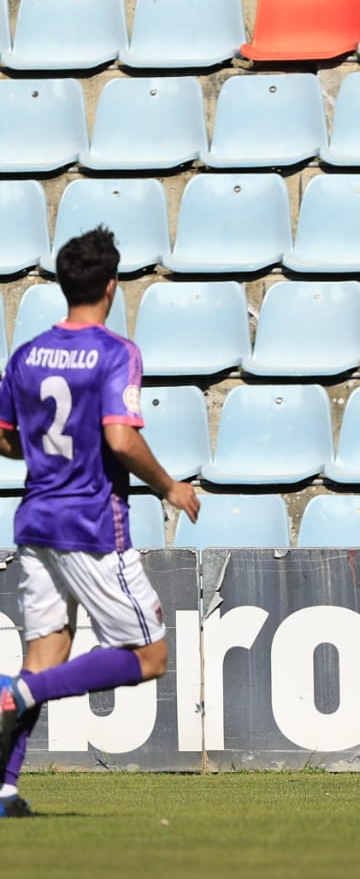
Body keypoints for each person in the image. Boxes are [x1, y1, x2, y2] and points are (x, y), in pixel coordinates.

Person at [0, 227, 201, 816]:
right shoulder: (116, 352)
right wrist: (170, 486)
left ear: (65, 286)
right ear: (112, 287)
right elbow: (119, 436)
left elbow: (7, 438)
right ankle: (18, 692)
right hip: (90, 525)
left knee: (45, 654)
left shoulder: (27, 354)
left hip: (36, 521)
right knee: (148, 656)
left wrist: (38, 446)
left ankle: (3, 790)